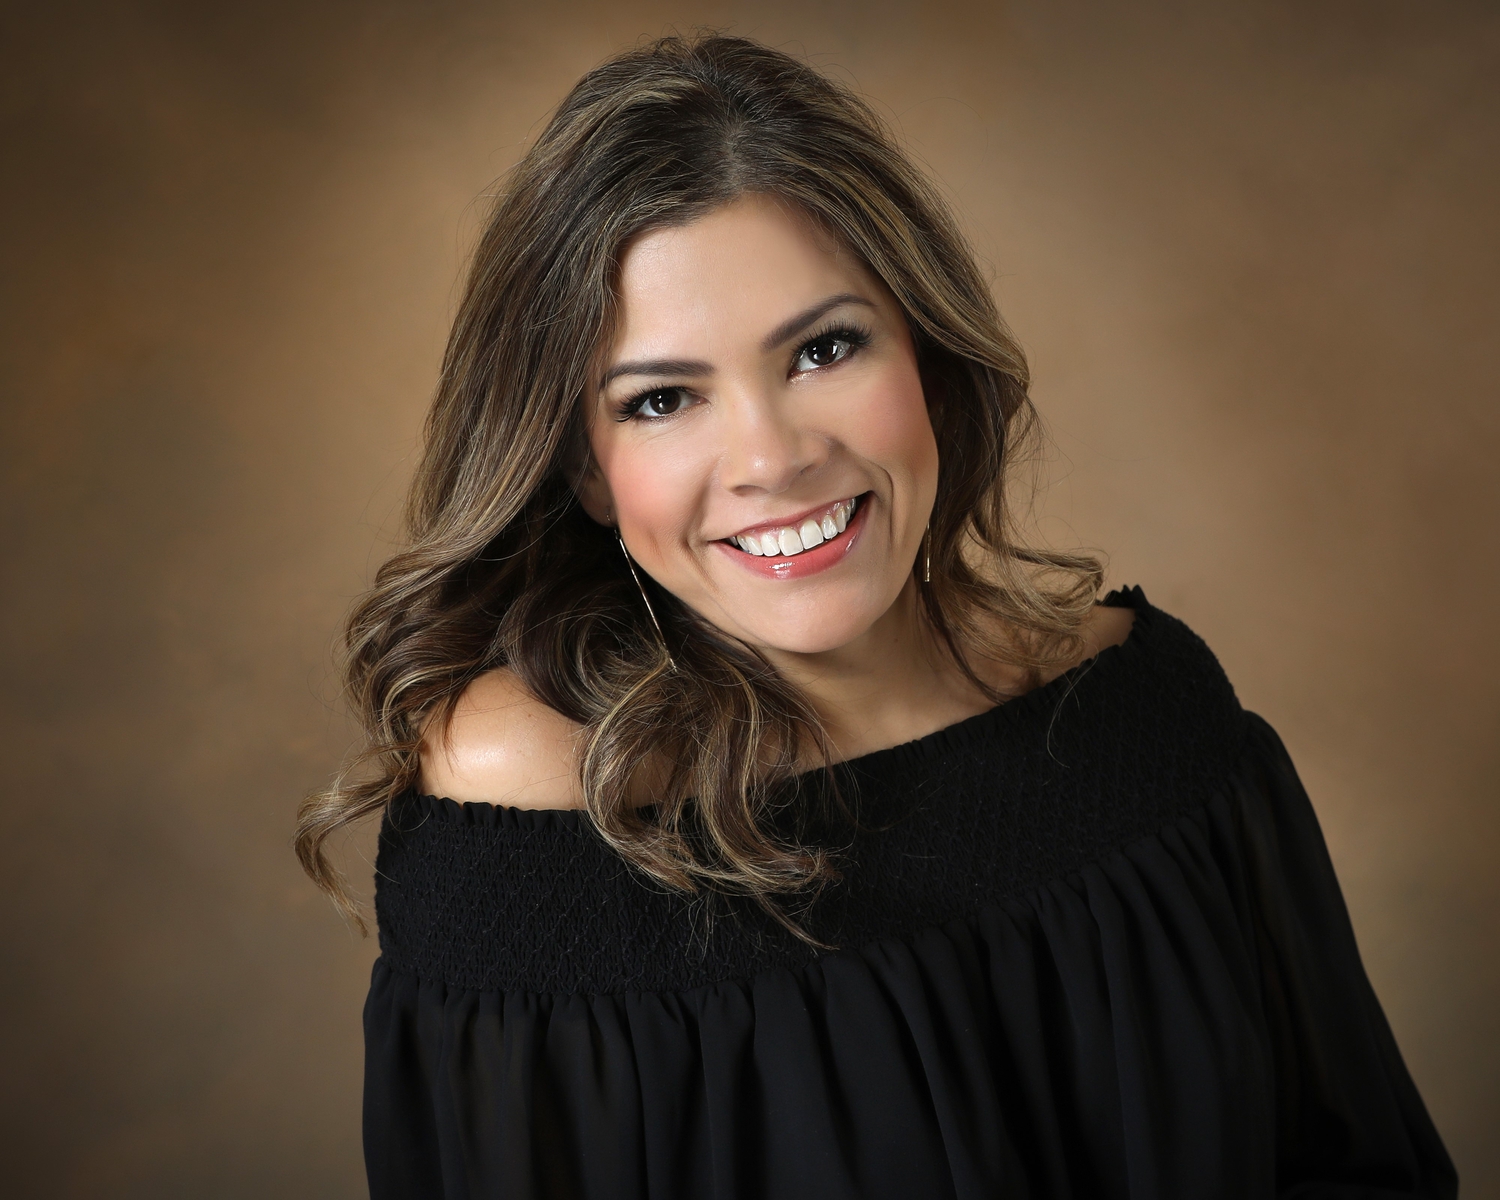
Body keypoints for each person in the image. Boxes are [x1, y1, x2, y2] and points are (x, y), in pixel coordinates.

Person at [296, 34, 1456, 1199]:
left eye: (823, 349)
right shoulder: (527, 798)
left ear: (928, 361)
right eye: (662, 399)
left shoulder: (1153, 721)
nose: (772, 459)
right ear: (585, 473)